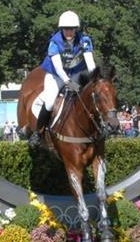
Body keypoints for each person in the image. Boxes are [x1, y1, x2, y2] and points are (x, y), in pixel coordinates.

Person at [29, 11, 96, 147]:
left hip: (76, 73)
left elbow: (90, 63)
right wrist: (67, 81)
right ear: (61, 29)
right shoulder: (54, 42)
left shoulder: (85, 41)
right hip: (56, 75)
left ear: (76, 29)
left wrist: (94, 78)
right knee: (49, 102)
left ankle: (98, 129)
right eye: (66, 29)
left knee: (89, 96)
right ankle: (38, 133)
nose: (68, 32)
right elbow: (59, 68)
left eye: (71, 29)